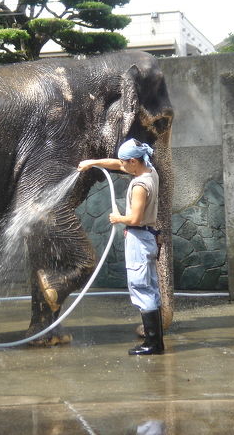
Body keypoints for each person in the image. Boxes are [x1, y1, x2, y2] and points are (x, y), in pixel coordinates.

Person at [77, 138, 164, 355]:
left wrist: (118, 218)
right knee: (150, 288)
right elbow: (117, 164)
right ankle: (156, 342)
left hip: (139, 238)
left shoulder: (139, 186)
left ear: (134, 161)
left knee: (141, 288)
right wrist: (92, 162)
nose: (122, 167)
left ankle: (152, 344)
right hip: (148, 236)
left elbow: (134, 218)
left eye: (125, 163)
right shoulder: (149, 170)